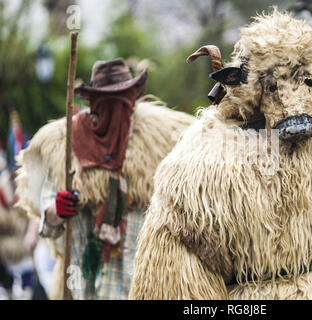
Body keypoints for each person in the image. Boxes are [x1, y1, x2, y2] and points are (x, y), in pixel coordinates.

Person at [15, 58, 195, 299]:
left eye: (121, 99)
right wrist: (57, 210)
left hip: (138, 282)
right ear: (94, 102)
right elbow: (47, 221)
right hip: (86, 283)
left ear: (132, 99)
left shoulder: (159, 144)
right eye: (107, 100)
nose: (115, 109)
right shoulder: (65, 147)